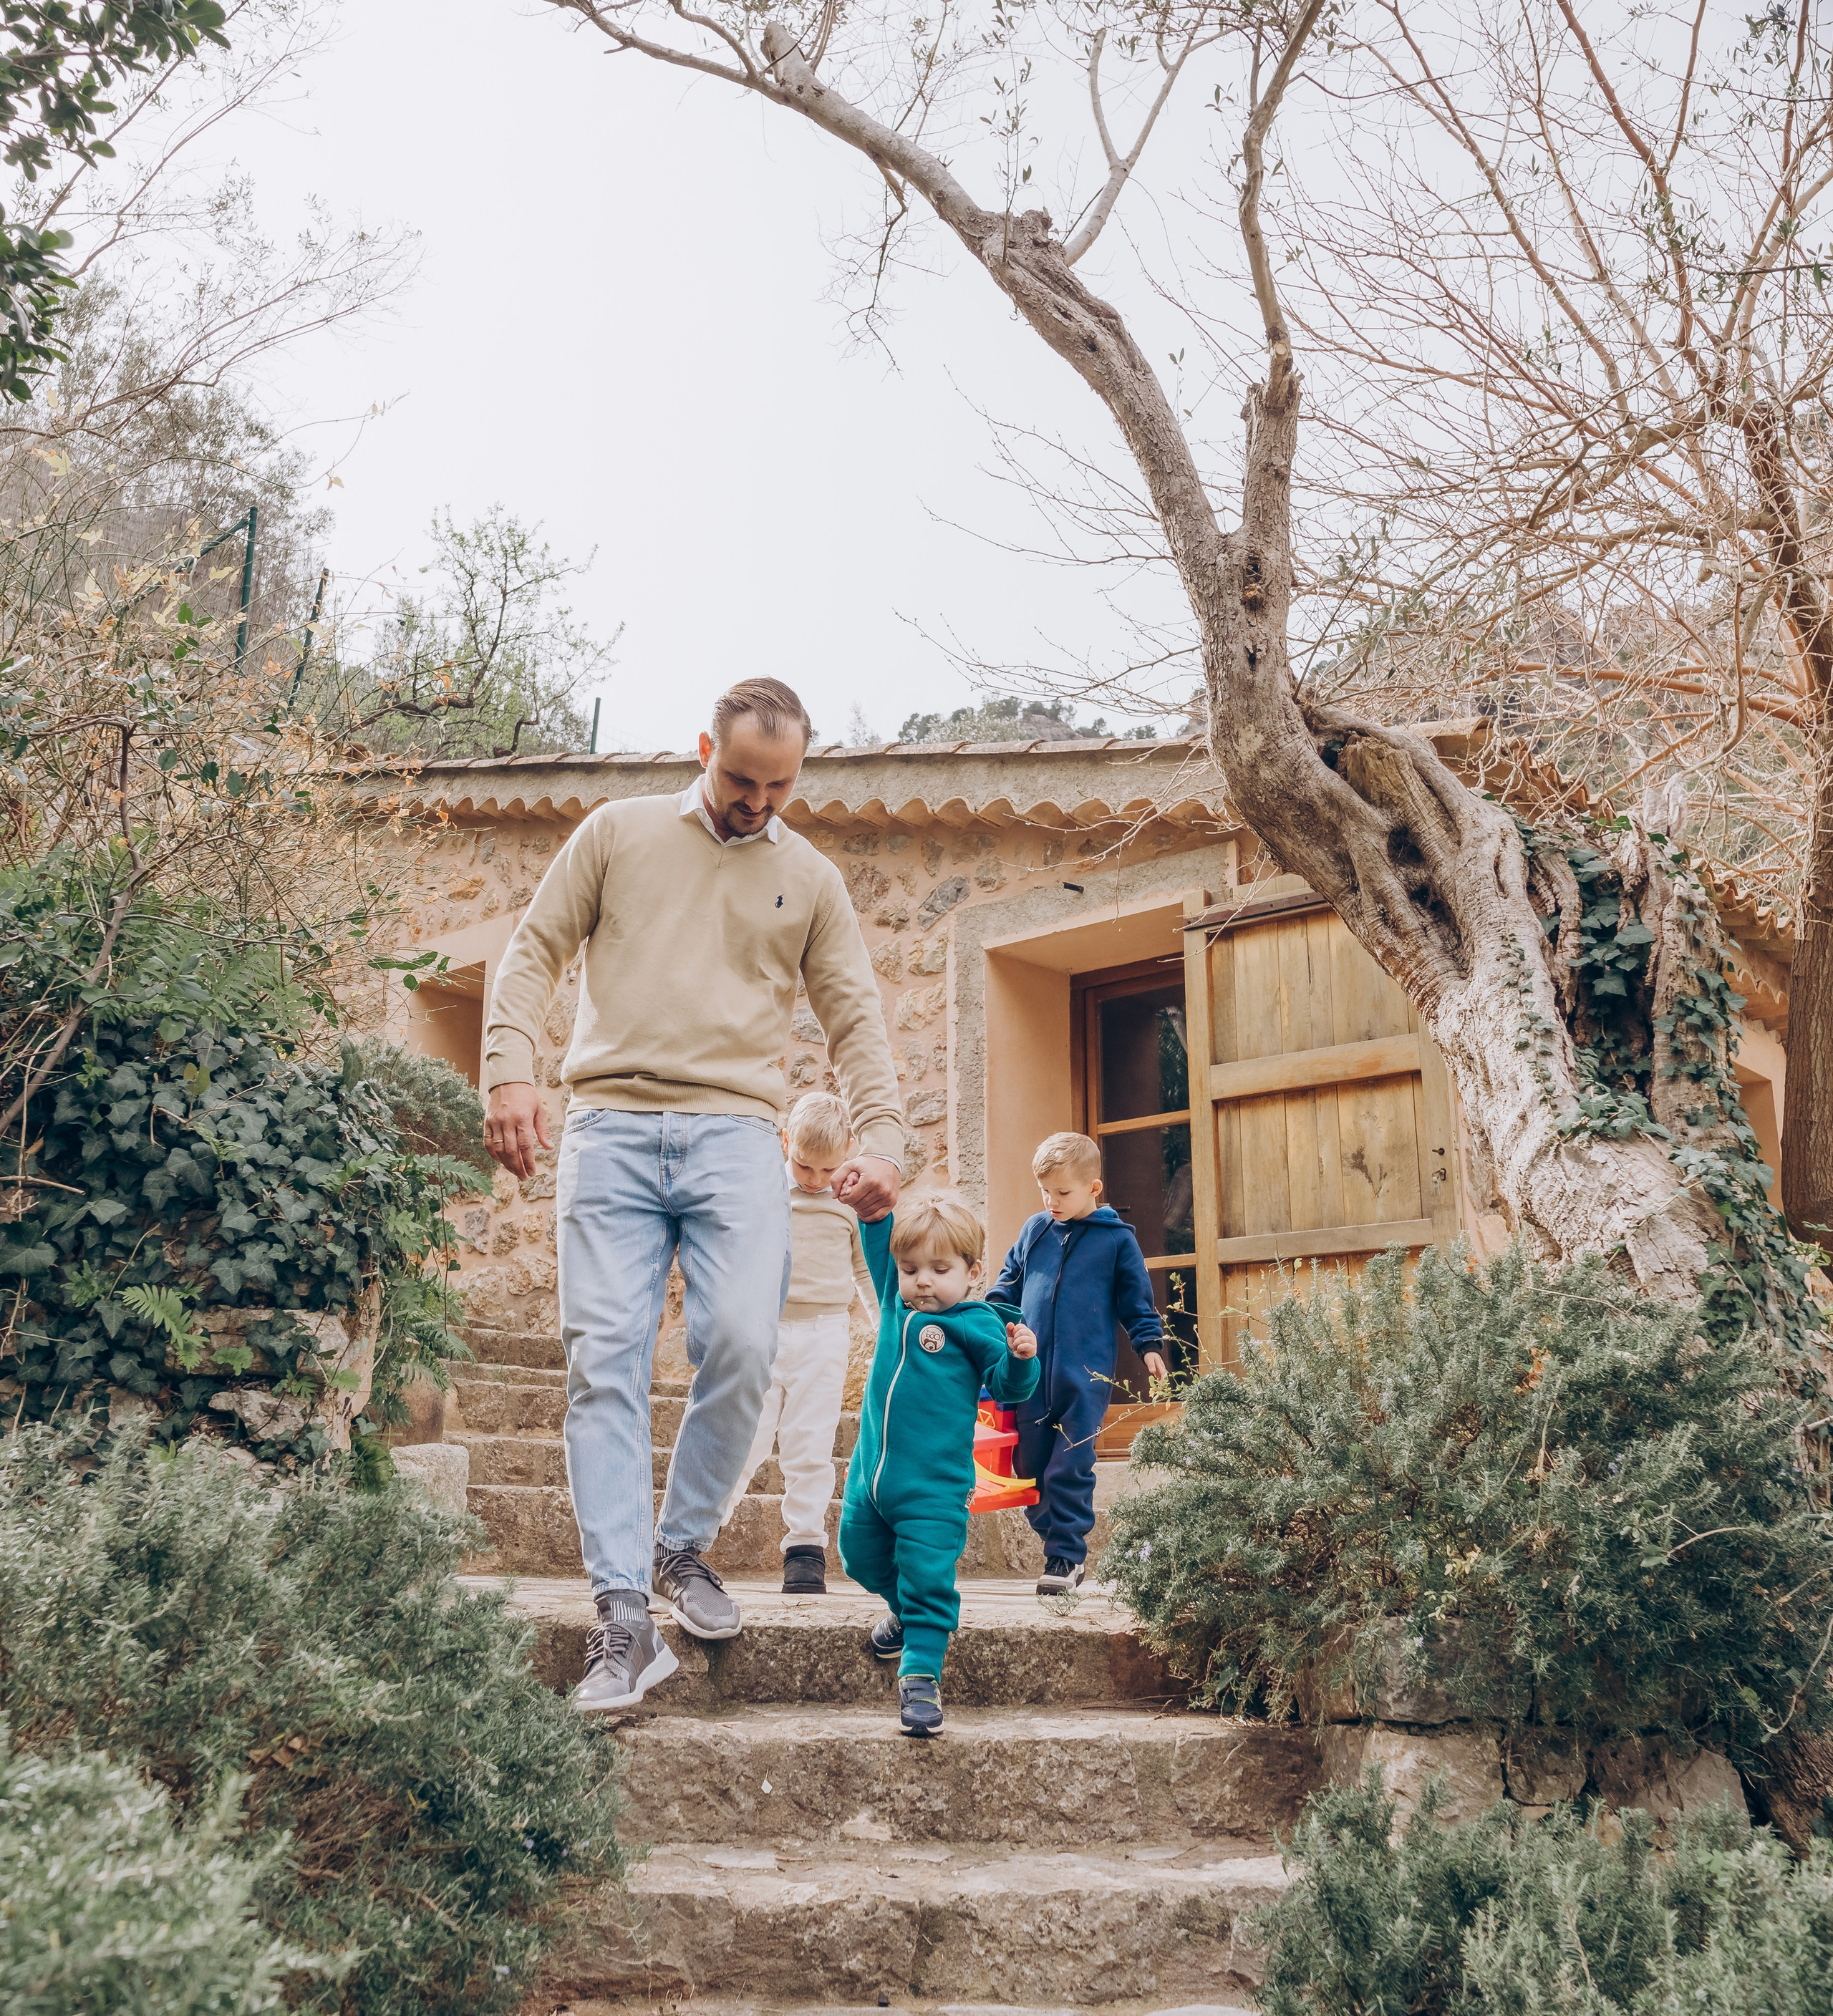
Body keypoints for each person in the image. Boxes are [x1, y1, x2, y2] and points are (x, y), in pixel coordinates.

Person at [481, 678, 904, 1713]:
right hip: (610, 1128)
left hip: (732, 1138)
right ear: (704, 746)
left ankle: (682, 1546)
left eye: (780, 785)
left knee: (745, 1344)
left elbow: (854, 1015)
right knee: (606, 1360)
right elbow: (533, 950)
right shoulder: (616, 833)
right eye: (741, 778)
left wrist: (887, 1135)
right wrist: (509, 1068)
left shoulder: (809, 878)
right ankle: (622, 1613)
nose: (758, 801)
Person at [839, 1192, 1039, 1738]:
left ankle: (920, 1676)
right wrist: (872, 1209)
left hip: (934, 1490)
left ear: (973, 1273)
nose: (922, 1280)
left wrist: (1023, 1359)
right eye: (911, 1270)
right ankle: (905, 1613)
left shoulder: (977, 1325)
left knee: (930, 1581)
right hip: (870, 1478)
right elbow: (878, 1240)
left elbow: (1007, 1385)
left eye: (939, 1269)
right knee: (856, 1558)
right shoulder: (895, 1303)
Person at [991, 1131, 1166, 1596]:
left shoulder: (1116, 1243)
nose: (1052, 1200)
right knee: (1030, 1470)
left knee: (1068, 1465)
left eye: (1062, 1192)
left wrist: (1149, 1345)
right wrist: (992, 1321)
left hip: (1083, 1379)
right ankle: (1057, 1540)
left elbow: (1136, 1301)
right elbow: (1006, 1284)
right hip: (1028, 1376)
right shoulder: (1035, 1231)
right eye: (1045, 1191)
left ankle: (1065, 1555)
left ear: (1094, 1188)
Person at [719, 1091, 879, 1594]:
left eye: (825, 1169)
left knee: (810, 1444)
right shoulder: (766, 1189)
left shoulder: (849, 1203)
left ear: (850, 1151)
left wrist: (888, 1330)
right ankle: (690, 1539)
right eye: (803, 1165)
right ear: (786, 1143)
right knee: (742, 1439)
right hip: (765, 1329)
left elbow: (865, 1273)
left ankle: (805, 1549)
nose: (813, 1179)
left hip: (825, 1334)